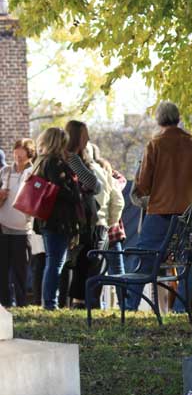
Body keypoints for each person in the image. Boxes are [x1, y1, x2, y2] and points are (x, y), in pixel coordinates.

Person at [126, 102, 192, 312]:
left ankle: (130, 306)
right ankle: (180, 310)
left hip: (159, 212)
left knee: (145, 262)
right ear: (178, 118)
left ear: (159, 120)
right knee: (185, 265)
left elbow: (142, 184)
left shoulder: (155, 145)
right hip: (187, 214)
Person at [31, 128, 83, 310]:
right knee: (55, 262)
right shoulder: (54, 163)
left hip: (47, 219)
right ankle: (50, 303)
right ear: (58, 142)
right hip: (57, 220)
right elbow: (58, 189)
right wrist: (75, 193)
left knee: (53, 261)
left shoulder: (41, 161)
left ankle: (50, 302)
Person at [65, 122, 111, 309]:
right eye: (85, 135)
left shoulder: (77, 158)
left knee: (83, 260)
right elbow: (94, 183)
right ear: (77, 136)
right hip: (83, 218)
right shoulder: (73, 159)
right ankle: (81, 302)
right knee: (85, 260)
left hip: (86, 215)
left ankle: (79, 301)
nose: (88, 139)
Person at [0, 138, 36, 306]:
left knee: (20, 271)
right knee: (3, 270)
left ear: (29, 156)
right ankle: (5, 303)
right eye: (16, 155)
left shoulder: (34, 173)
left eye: (22, 157)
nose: (18, 159)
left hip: (23, 230)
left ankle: (22, 304)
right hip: (3, 227)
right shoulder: (5, 172)